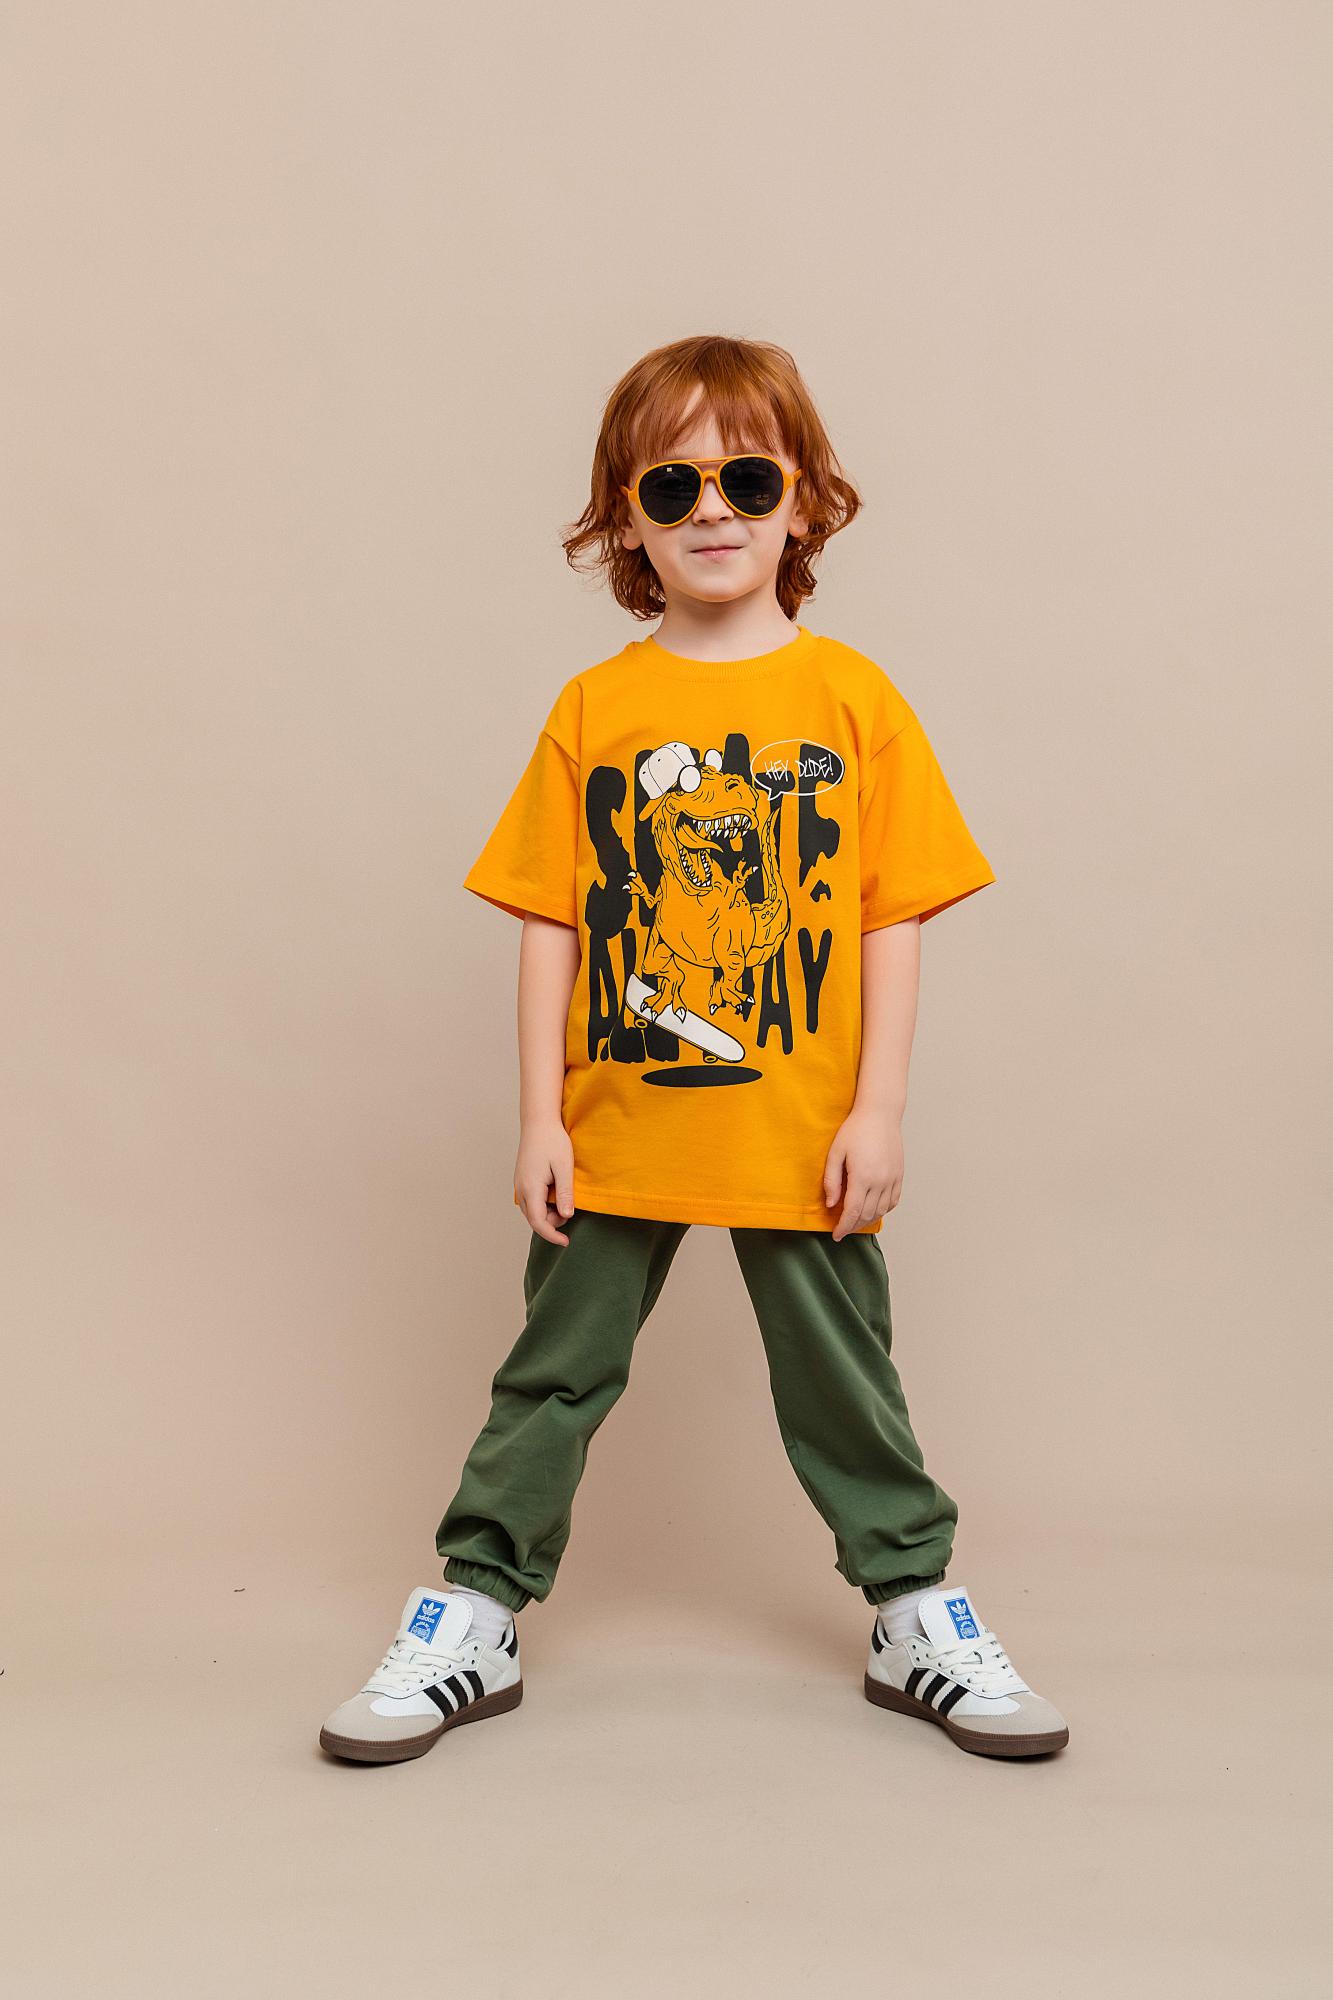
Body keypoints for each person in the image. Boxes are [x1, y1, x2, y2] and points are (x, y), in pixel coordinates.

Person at [319, 334, 1069, 1766]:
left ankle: (912, 1605)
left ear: (804, 502)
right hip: (619, 1121)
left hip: (801, 1128)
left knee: (844, 1378)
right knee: (553, 1374)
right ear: (626, 520)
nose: (711, 508)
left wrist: (880, 1110)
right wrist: (540, 1119)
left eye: (746, 478)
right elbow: (548, 920)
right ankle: (476, 1605)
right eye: (672, 484)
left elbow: (891, 919)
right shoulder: (594, 710)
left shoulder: (853, 701)